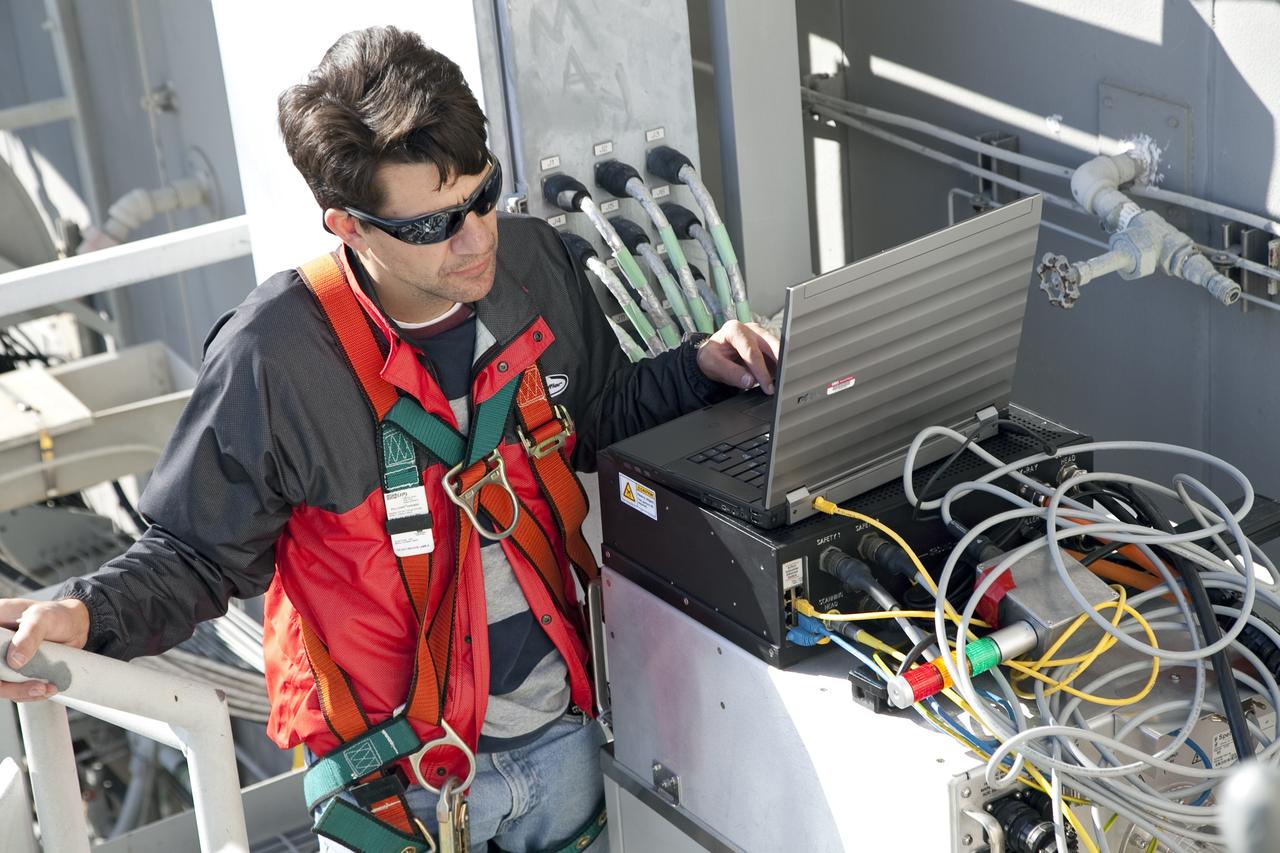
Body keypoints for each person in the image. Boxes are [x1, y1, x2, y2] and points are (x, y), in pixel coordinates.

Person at [0, 25, 777, 853]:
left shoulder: (534, 266)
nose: (477, 238)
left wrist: (701, 367)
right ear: (350, 226)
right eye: (433, 226)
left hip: (564, 740)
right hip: (397, 785)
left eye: (484, 195)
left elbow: (597, 413)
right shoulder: (277, 359)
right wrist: (85, 611)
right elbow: (196, 551)